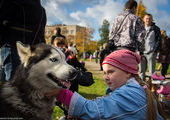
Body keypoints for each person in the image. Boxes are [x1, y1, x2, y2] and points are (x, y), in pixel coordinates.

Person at [45, 49, 164, 120]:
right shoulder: (136, 88)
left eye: (111, 72)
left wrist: (59, 92)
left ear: (128, 72)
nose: (106, 77)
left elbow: (93, 110)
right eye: (104, 72)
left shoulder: (130, 94)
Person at [0, 0, 46, 82]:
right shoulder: (10, 2)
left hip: (27, 52)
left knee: (16, 83)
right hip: (12, 46)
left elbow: (41, 34)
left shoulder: (42, 10)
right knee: (13, 83)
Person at [139, 13, 162, 80]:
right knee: (141, 71)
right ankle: (142, 88)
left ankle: (152, 88)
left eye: (149, 19)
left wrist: (154, 51)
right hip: (141, 53)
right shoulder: (140, 28)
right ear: (143, 19)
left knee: (152, 72)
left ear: (152, 20)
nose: (148, 20)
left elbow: (158, 40)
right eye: (146, 18)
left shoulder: (156, 29)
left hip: (151, 53)